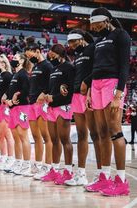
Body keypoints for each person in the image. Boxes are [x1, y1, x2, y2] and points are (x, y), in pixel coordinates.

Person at [85, 7, 131, 196]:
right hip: (95, 85)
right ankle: (105, 176)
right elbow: (96, 67)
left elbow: (124, 66)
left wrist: (118, 93)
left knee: (114, 131)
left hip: (112, 84)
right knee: (102, 131)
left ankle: (121, 181)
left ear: (106, 20)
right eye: (92, 26)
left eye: (96, 25)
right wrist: (89, 90)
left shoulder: (121, 35)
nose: (94, 29)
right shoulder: (99, 40)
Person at [63, 29, 102, 186]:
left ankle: (101, 174)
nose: (71, 46)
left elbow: (97, 70)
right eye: (69, 43)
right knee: (81, 135)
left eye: (73, 42)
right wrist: (67, 86)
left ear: (81, 39)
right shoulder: (78, 56)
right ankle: (81, 174)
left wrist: (90, 88)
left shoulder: (93, 48)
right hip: (76, 95)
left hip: (89, 95)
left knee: (95, 134)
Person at [44, 44, 75, 185]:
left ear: (60, 54)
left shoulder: (69, 67)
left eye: (52, 55)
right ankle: (54, 170)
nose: (50, 57)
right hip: (51, 108)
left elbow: (69, 93)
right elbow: (52, 89)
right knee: (54, 140)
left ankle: (68, 172)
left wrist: (54, 98)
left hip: (63, 107)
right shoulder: (53, 69)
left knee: (65, 139)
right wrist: (46, 96)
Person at [24, 43, 53, 179]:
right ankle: (37, 165)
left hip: (42, 104)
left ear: (37, 51)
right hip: (32, 104)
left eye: (31, 56)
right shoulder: (35, 67)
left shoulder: (48, 66)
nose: (30, 59)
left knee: (46, 137)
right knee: (36, 137)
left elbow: (52, 83)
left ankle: (47, 166)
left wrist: (45, 92)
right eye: (27, 57)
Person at [5, 53, 31, 176]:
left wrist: (17, 95)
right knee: (16, 137)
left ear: (21, 61)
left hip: (23, 108)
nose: (13, 60)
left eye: (15, 58)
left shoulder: (24, 74)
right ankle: (18, 162)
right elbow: (11, 92)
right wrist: (9, 100)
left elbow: (27, 90)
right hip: (13, 108)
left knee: (23, 136)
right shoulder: (15, 74)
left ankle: (26, 165)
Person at [0, 54, 14, 170]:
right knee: (0, 134)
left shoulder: (8, 75)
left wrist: (6, 95)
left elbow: (13, 88)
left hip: (5, 107)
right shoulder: (0, 76)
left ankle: (11, 159)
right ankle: (3, 158)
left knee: (7, 134)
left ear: (4, 64)